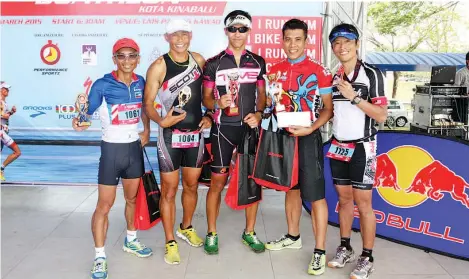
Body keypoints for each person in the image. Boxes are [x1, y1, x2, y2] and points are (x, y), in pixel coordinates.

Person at [72, 38, 152, 279]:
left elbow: (145, 109)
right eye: (122, 56)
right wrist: (78, 121)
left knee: (132, 200)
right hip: (111, 152)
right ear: (114, 59)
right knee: (103, 206)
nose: (127, 60)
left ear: (138, 58)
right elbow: (85, 115)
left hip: (133, 150)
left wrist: (146, 130)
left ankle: (131, 240)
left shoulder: (141, 82)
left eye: (131, 55)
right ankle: (99, 256)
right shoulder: (102, 84)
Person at [263, 19, 334, 276]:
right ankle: (293, 236)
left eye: (298, 39)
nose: (292, 45)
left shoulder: (319, 70)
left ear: (306, 41)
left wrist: (312, 128)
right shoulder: (274, 69)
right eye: (288, 39)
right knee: (290, 189)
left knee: (315, 195)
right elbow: (271, 105)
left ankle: (320, 251)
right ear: (281, 40)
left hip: (307, 137)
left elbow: (328, 109)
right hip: (283, 137)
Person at [143, 19, 211, 265]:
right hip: (170, 137)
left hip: (195, 136)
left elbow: (208, 95)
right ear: (167, 37)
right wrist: (161, 122)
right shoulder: (159, 66)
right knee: (170, 191)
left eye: (184, 34)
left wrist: (209, 115)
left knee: (192, 186)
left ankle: (186, 227)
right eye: (175, 35)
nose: (180, 39)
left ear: (190, 35)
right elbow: (148, 103)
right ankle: (170, 240)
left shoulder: (200, 61)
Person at [202, 9, 267, 255]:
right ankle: (211, 232)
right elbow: (207, 99)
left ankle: (249, 232)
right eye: (233, 29)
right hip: (223, 130)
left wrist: (259, 114)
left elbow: (262, 96)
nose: (237, 33)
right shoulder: (213, 63)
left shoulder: (258, 61)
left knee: (252, 182)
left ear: (249, 31)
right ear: (226, 31)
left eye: (242, 29)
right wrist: (216, 104)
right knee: (217, 182)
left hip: (250, 129)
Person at [327, 23, 388, 279]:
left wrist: (354, 97)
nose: (342, 47)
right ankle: (345, 247)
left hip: (363, 146)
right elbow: (332, 113)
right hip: (339, 146)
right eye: (337, 43)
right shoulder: (334, 77)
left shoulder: (373, 74)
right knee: (343, 201)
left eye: (347, 42)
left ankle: (367, 256)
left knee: (364, 205)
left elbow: (382, 116)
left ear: (356, 44)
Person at [0, 82, 21, 181]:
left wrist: (11, 112)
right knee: (17, 152)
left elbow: (5, 116)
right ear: (1, 90)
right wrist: (4, 116)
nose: (7, 91)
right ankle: (1, 169)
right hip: (1, 132)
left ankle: (1, 169)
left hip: (3, 132)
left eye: (8, 89)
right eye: (5, 89)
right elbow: (3, 116)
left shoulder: (4, 103)